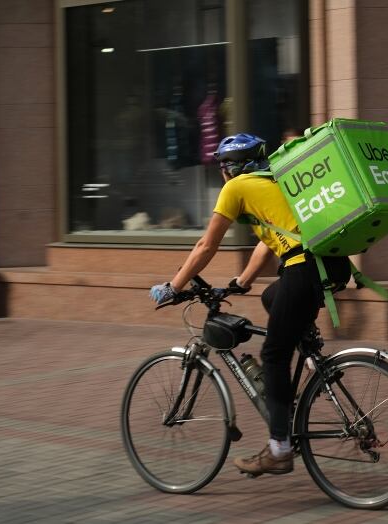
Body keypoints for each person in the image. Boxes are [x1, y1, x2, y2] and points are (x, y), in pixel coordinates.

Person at [149, 133, 350, 476]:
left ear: (229, 167)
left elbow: (205, 246)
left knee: (273, 355)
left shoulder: (237, 187)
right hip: (331, 263)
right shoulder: (275, 180)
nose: (223, 174)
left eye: (222, 167)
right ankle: (310, 355)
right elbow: (273, 240)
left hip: (303, 268)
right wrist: (243, 281)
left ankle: (279, 450)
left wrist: (174, 286)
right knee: (273, 298)